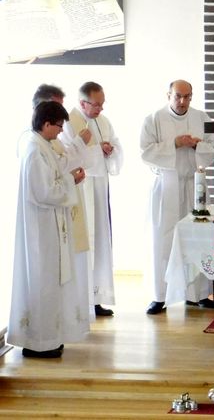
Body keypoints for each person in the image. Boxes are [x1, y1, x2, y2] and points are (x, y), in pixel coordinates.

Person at [8, 101, 90, 358]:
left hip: (50, 225)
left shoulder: (43, 145)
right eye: (58, 125)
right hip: (40, 230)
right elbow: (44, 191)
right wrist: (71, 180)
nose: (61, 130)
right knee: (42, 281)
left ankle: (50, 338)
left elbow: (54, 175)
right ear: (46, 124)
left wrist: (70, 177)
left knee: (51, 282)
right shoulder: (34, 150)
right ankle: (38, 343)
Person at [140, 80, 214, 316]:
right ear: (169, 95)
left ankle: (198, 294)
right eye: (178, 96)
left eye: (187, 96)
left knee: (198, 238)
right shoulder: (154, 119)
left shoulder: (202, 118)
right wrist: (174, 144)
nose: (183, 101)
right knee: (163, 240)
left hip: (195, 184)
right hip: (167, 185)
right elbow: (145, 152)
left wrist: (196, 147)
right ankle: (160, 296)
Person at [60, 81, 123, 318]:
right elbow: (68, 155)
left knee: (100, 242)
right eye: (96, 104)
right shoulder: (68, 123)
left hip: (99, 188)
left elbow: (117, 145)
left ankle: (96, 298)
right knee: (85, 242)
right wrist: (99, 150)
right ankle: (81, 300)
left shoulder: (103, 121)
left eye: (102, 104)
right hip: (81, 188)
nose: (100, 109)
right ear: (82, 102)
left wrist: (111, 149)